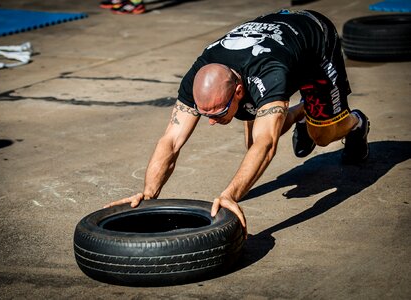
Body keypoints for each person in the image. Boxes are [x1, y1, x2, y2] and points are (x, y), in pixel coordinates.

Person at [104, 9, 370, 234]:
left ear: (239, 92)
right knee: (251, 142)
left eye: (218, 113)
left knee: (321, 136)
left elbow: (266, 145)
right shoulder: (198, 74)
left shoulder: (270, 75)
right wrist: (149, 195)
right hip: (276, 45)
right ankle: (303, 111)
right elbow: (171, 141)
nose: (211, 123)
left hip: (315, 43)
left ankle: (356, 123)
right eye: (205, 114)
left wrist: (230, 195)